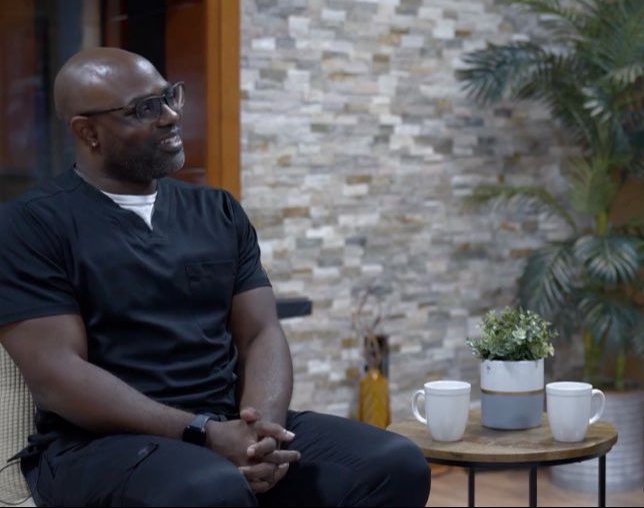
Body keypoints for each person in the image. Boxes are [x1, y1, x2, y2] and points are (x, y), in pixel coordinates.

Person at [0, 48, 431, 507]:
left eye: (170, 97)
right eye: (145, 108)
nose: (170, 116)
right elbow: (58, 376)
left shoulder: (218, 211)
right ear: (88, 132)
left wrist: (259, 435)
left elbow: (261, 332)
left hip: (225, 424)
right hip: (99, 445)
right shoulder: (31, 225)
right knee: (210, 488)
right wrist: (202, 433)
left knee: (393, 463)